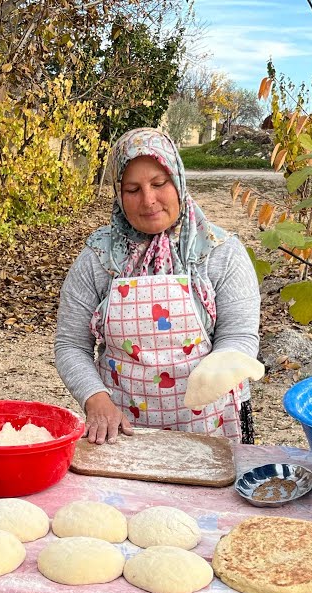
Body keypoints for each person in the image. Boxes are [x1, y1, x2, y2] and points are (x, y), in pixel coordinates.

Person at [54, 127, 262, 445]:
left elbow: (240, 336)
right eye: (133, 189)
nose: (148, 200)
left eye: (158, 184)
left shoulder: (221, 251)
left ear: (177, 180)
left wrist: (219, 370)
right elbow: (71, 345)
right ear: (119, 194)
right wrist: (95, 399)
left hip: (213, 425)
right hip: (122, 427)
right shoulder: (98, 257)